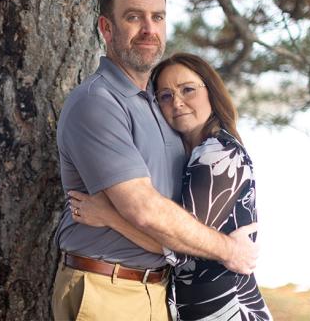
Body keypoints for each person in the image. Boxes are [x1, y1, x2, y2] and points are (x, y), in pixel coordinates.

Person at [52, 0, 259, 321]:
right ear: (106, 28)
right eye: (134, 17)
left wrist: (108, 217)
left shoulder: (160, 104)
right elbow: (145, 209)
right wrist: (229, 250)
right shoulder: (99, 102)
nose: (149, 28)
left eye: (158, 17)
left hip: (159, 292)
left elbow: (178, 228)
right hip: (108, 288)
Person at [69, 53, 272, 320]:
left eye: (188, 90)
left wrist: (108, 216)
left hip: (226, 310)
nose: (177, 102)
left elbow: (177, 243)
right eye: (165, 96)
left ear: (210, 91)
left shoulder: (216, 154)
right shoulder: (193, 154)